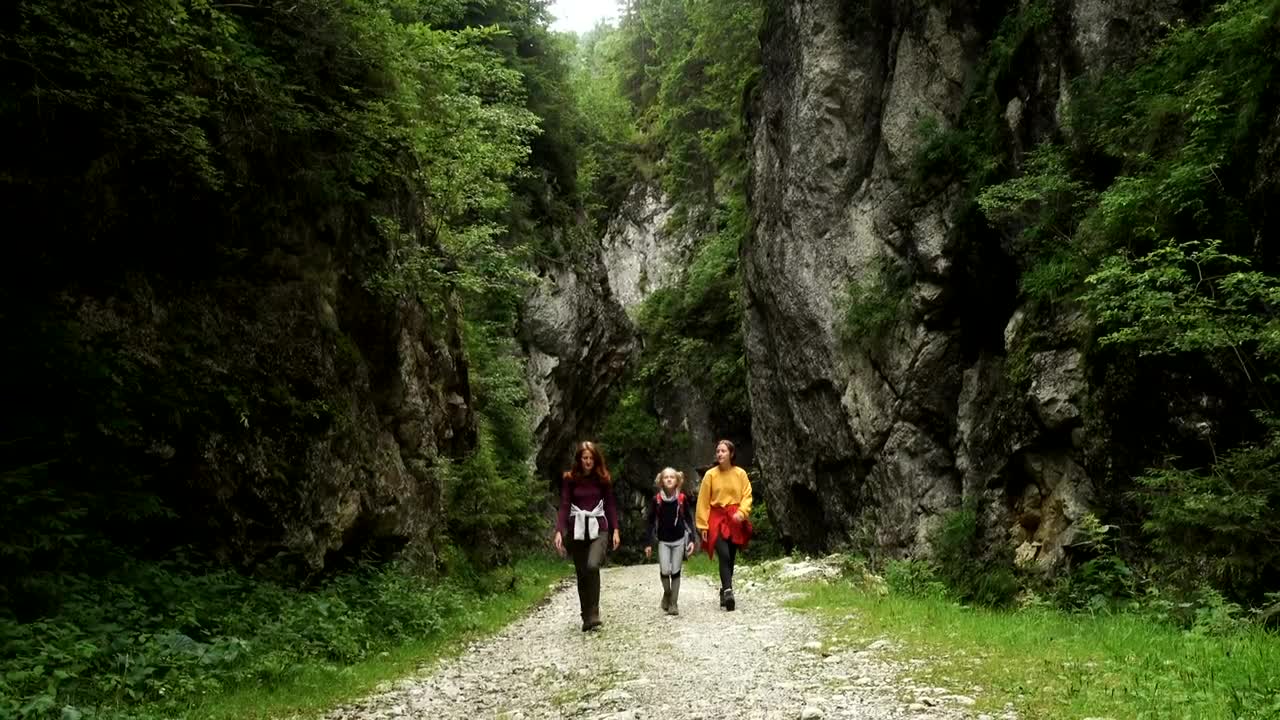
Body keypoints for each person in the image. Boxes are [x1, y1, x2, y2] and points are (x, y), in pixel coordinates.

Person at [553, 441, 620, 631]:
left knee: (592, 565)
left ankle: (594, 611)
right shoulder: (570, 479)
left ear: (595, 459)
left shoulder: (603, 479)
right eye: (585, 458)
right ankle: (586, 616)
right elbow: (565, 505)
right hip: (577, 529)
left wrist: (615, 529)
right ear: (579, 459)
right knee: (581, 573)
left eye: (591, 458)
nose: (588, 461)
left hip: (599, 527)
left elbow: (610, 505)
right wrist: (559, 530)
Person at [696, 439, 753, 611]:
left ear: (731, 454)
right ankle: (728, 591)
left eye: (723, 451)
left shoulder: (740, 474)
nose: (719, 454)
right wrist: (702, 525)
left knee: (732, 557)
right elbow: (703, 501)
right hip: (716, 517)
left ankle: (724, 589)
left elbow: (747, 495)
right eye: (718, 451)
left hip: (735, 517)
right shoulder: (710, 475)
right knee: (724, 555)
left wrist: (742, 513)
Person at [643, 467, 698, 615]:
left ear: (677, 481)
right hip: (663, 541)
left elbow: (688, 519)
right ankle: (667, 592)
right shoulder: (657, 500)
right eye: (666, 477)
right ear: (661, 481)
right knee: (665, 570)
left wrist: (692, 539)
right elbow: (650, 521)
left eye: (672, 477)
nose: (669, 479)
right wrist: (648, 543)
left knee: (676, 571)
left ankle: (674, 603)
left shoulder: (682, 499)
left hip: (679, 540)